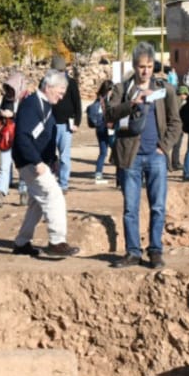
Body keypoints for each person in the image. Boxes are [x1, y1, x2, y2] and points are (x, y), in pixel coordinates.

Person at [108, 44, 183, 270]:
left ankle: (155, 250)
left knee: (158, 207)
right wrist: (132, 103)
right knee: (131, 208)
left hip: (156, 157)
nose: (146, 71)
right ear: (134, 66)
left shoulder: (164, 90)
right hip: (130, 157)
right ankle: (132, 252)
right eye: (142, 67)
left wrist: (164, 146)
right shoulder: (122, 89)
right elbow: (109, 114)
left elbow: (176, 122)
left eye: (149, 66)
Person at [9, 70, 81, 259]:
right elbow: (23, 137)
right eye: (61, 90)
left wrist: (52, 159)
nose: (63, 95)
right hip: (29, 162)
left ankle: (22, 242)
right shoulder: (32, 104)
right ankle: (57, 242)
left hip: (38, 162)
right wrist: (37, 162)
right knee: (54, 194)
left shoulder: (46, 106)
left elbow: (44, 137)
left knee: (37, 204)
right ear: (48, 87)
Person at [48, 56, 82, 191]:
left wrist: (77, 122)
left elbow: (77, 103)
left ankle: (63, 184)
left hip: (66, 124)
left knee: (65, 156)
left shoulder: (71, 83)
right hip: (50, 124)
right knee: (48, 155)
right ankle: (49, 182)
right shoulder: (47, 82)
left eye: (61, 70)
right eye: (57, 71)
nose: (60, 73)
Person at [0, 76, 22, 206]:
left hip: (20, 135)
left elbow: (27, 117)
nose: (10, 90)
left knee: (21, 166)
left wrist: (13, 115)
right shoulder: (6, 98)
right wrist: (2, 114)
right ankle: (0, 193)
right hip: (7, 135)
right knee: (3, 166)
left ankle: (24, 193)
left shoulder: (26, 98)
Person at [86, 79, 114, 183]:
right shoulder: (108, 100)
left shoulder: (98, 99)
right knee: (116, 150)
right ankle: (121, 173)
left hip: (99, 128)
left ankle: (98, 173)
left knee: (102, 152)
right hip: (108, 128)